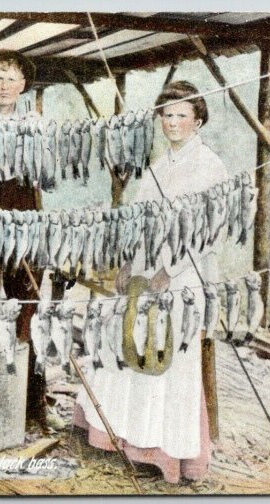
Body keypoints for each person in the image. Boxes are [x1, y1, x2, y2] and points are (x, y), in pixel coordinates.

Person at [75, 80, 230, 483]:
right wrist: (128, 263)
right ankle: (128, 439)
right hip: (144, 270)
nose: (173, 122)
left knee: (167, 355)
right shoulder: (159, 166)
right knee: (129, 344)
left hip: (183, 277)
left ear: (198, 120)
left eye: (182, 115)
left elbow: (207, 234)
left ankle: (168, 454)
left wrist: (169, 272)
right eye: (167, 114)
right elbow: (137, 221)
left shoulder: (209, 166)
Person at [0, 50, 63, 431]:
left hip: (23, 203)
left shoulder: (36, 123)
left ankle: (32, 400)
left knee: (28, 299)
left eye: (12, 78)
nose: (5, 85)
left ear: (23, 86)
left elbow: (49, 175)